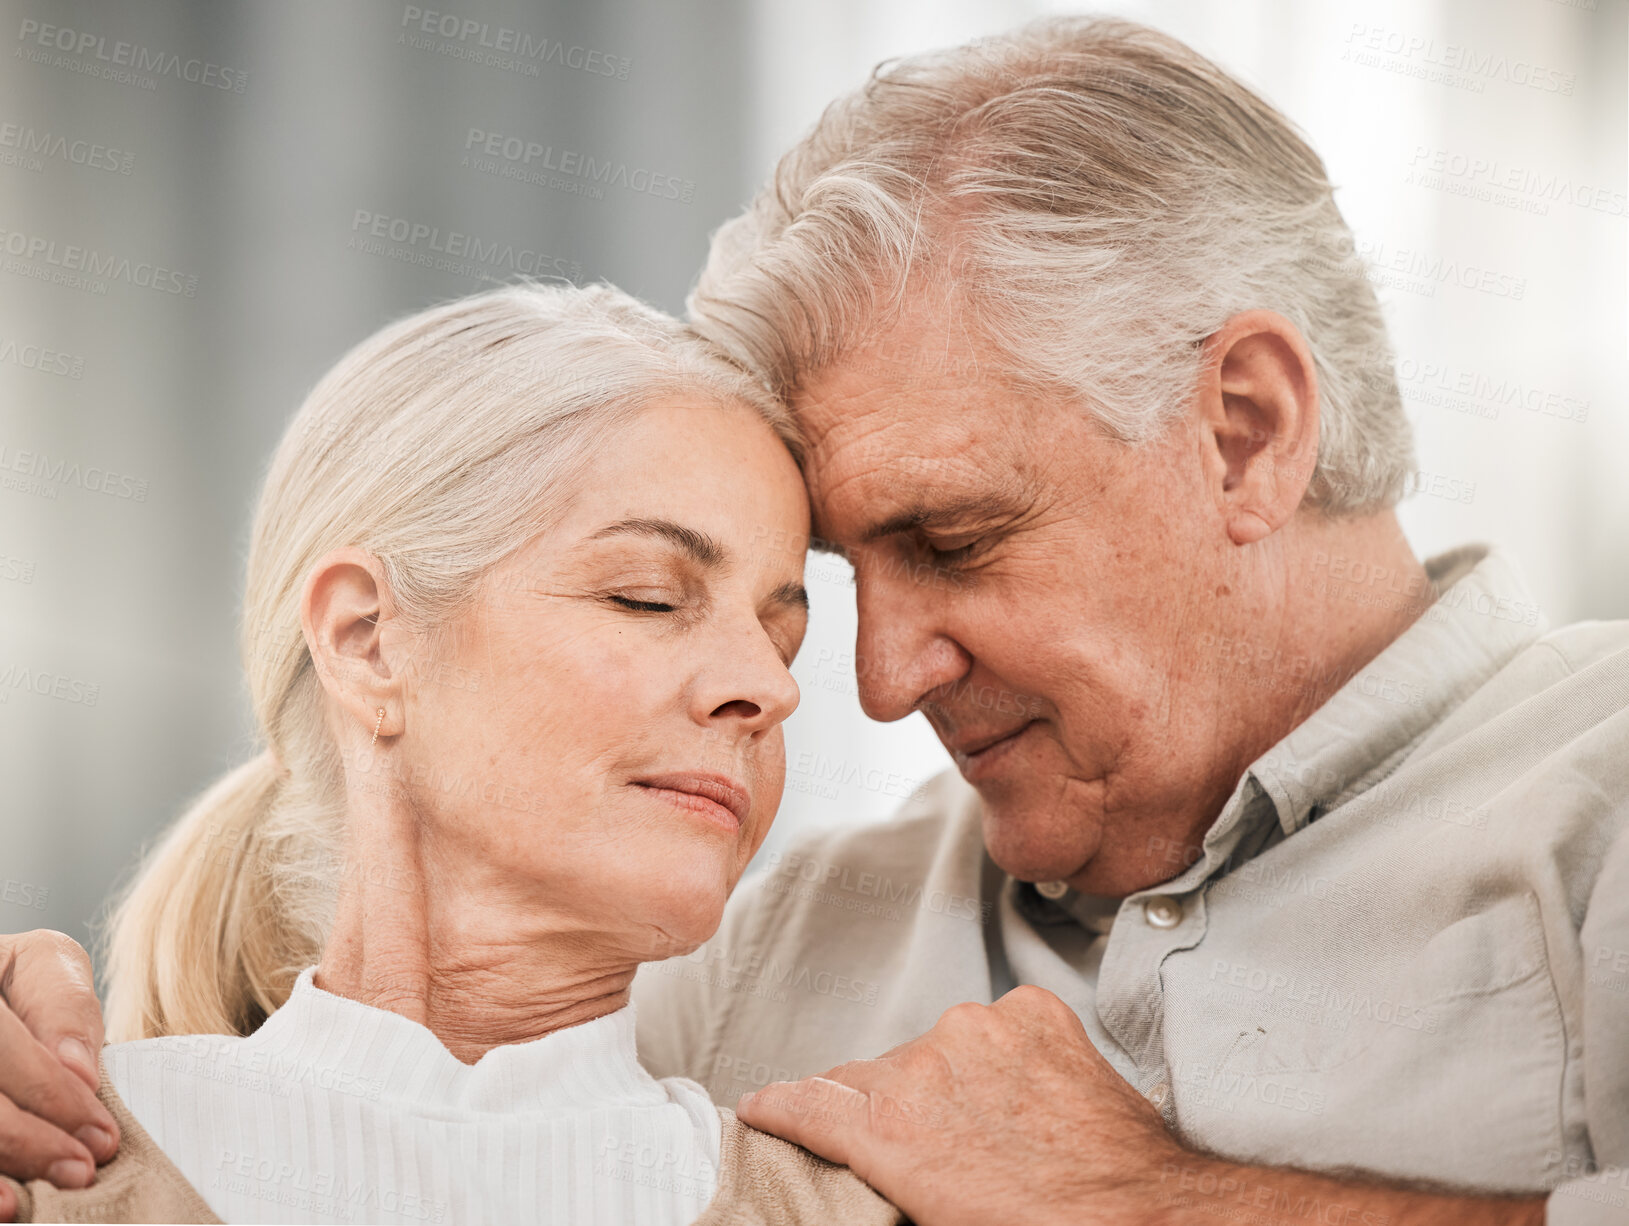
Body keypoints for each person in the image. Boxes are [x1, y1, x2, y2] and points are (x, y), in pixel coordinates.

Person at [3, 15, 1627, 1226]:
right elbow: (400, 1073)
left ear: (1247, 429)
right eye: (840, 588)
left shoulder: (1600, 795)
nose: (858, 679)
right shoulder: (770, 942)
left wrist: (1163, 1200)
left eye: (953, 537)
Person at [0, 283, 899, 1225]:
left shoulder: (858, 1208)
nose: (770, 686)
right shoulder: (47, 1165)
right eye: (646, 597)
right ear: (367, 641)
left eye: (781, 637)